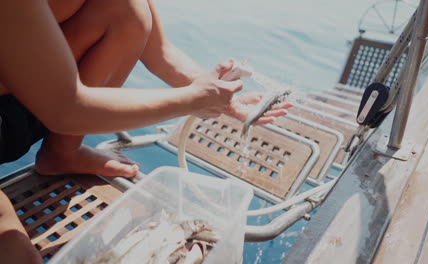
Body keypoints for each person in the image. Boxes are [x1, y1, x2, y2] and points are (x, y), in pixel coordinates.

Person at [0, 0, 292, 263]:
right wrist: (192, 100)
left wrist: (225, 100)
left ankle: (62, 153)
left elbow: (161, 52)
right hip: (49, 108)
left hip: (26, 101)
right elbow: (67, 109)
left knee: (127, 11)